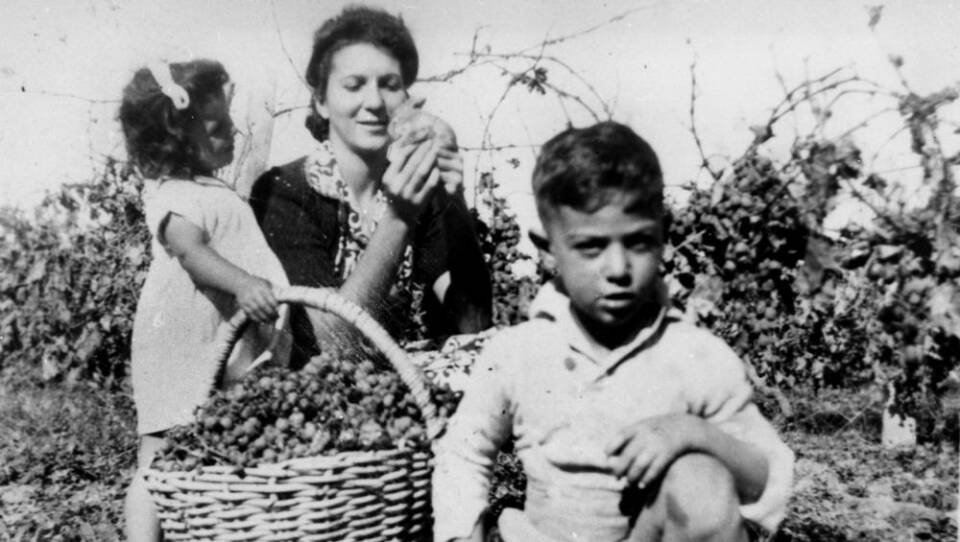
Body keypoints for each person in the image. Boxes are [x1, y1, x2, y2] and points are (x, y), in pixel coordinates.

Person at [432, 122, 794, 542]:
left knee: (701, 481)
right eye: (591, 247)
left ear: (663, 237)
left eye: (638, 242)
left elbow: (765, 476)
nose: (618, 270)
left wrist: (693, 433)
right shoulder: (518, 352)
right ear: (548, 249)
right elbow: (465, 454)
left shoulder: (694, 355)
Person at [249, 5, 492, 365]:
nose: (375, 102)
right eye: (354, 85)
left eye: (390, 86)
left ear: (408, 100)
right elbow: (332, 343)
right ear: (321, 101)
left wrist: (455, 199)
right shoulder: (285, 191)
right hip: (312, 394)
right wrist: (398, 219)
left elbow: (473, 327)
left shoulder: (422, 189)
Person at [120, 59, 289, 542]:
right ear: (176, 136)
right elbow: (192, 254)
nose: (230, 134)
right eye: (216, 128)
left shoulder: (210, 189)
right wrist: (244, 284)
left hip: (209, 338)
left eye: (229, 123)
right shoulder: (175, 195)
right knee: (158, 454)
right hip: (178, 343)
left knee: (214, 443)